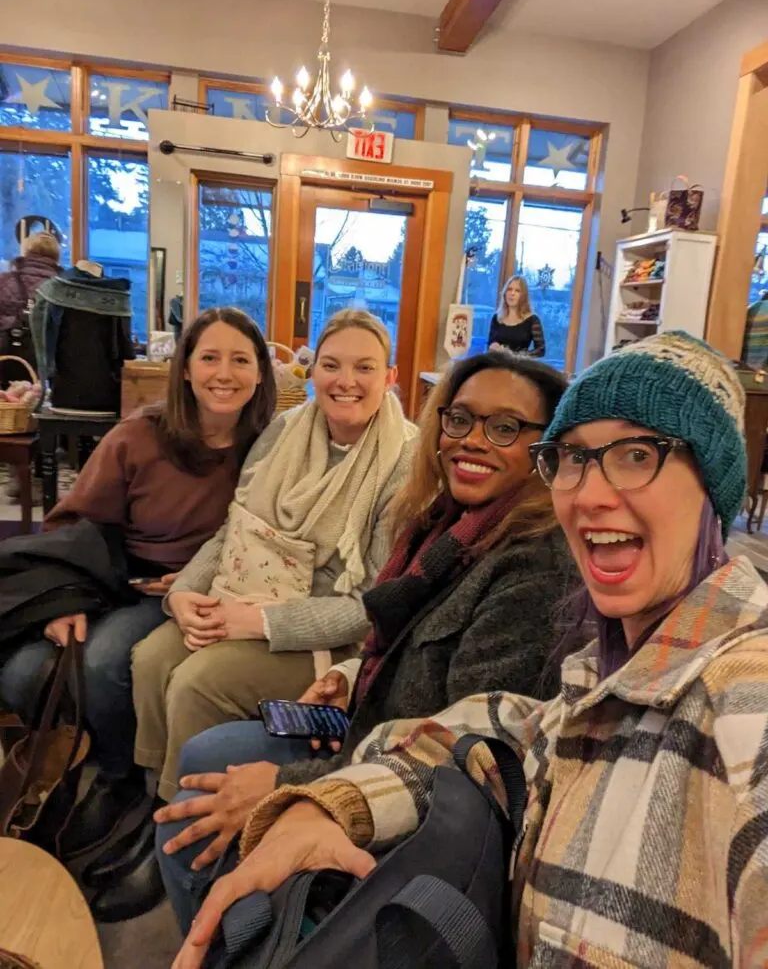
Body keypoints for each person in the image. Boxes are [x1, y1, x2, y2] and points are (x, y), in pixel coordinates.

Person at [174, 331, 768, 969]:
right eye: (574, 457)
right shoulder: (584, 656)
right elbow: (496, 733)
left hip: (419, 831)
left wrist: (297, 780)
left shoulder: (739, 704)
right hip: (369, 736)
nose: (591, 493)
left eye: (634, 455)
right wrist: (329, 786)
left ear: (712, 483)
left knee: (198, 750)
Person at [154, 350, 577, 933]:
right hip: (366, 720)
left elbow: (471, 759)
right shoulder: (443, 522)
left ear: (545, 449)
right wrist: (351, 678)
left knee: (183, 817)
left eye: (504, 427)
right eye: (459, 419)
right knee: (198, 750)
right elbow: (400, 635)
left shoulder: (535, 566)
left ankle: (259, 931)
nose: (472, 440)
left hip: (416, 796)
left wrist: (286, 788)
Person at [86, 311, 417, 923]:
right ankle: (152, 807)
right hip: (247, 593)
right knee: (151, 655)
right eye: (332, 365)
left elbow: (371, 606)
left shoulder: (404, 462)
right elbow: (235, 528)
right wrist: (183, 593)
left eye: (365, 367)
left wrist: (257, 623)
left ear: (390, 376)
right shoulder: (287, 429)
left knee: (195, 681)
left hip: (329, 640)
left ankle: (174, 841)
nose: (347, 381)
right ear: (309, 369)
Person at [0, 306, 276, 862]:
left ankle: (122, 779)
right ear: (186, 369)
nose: (225, 372)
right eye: (210, 357)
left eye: (241, 359)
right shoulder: (138, 437)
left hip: (194, 595)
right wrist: (65, 602)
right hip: (111, 579)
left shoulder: (270, 448)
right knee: (21, 674)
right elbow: (71, 524)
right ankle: (98, 759)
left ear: (261, 374)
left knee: (105, 661)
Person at [0, 230, 61, 369]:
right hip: (47, 364)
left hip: (6, 358)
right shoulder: (62, 288)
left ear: (26, 251)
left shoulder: (4, 281)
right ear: (57, 256)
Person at [488, 275, 545, 357]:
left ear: (524, 296)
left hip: (520, 367)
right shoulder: (496, 318)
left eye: (517, 291)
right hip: (497, 366)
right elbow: (490, 344)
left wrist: (515, 356)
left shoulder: (532, 320)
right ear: (504, 293)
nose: (512, 293)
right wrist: (493, 346)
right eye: (509, 289)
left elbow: (541, 350)